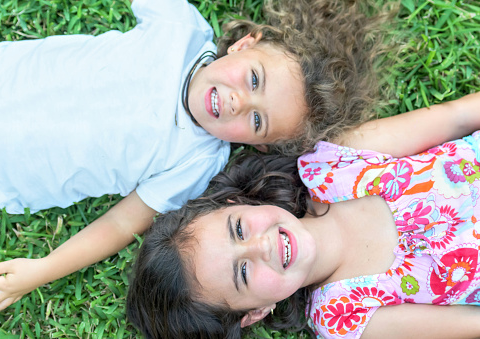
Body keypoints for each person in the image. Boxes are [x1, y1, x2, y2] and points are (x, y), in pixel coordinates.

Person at [0, 0, 386, 312]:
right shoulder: (179, 29)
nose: (239, 101)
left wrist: (43, 269)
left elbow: (119, 222)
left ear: (259, 145)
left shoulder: (197, 161)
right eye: (253, 77)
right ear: (244, 45)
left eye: (257, 120)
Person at [127, 91, 480, 339]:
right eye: (243, 272)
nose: (261, 245)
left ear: (236, 205)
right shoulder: (343, 318)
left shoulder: (332, 162)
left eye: (237, 230)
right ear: (255, 314)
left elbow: (457, 116)